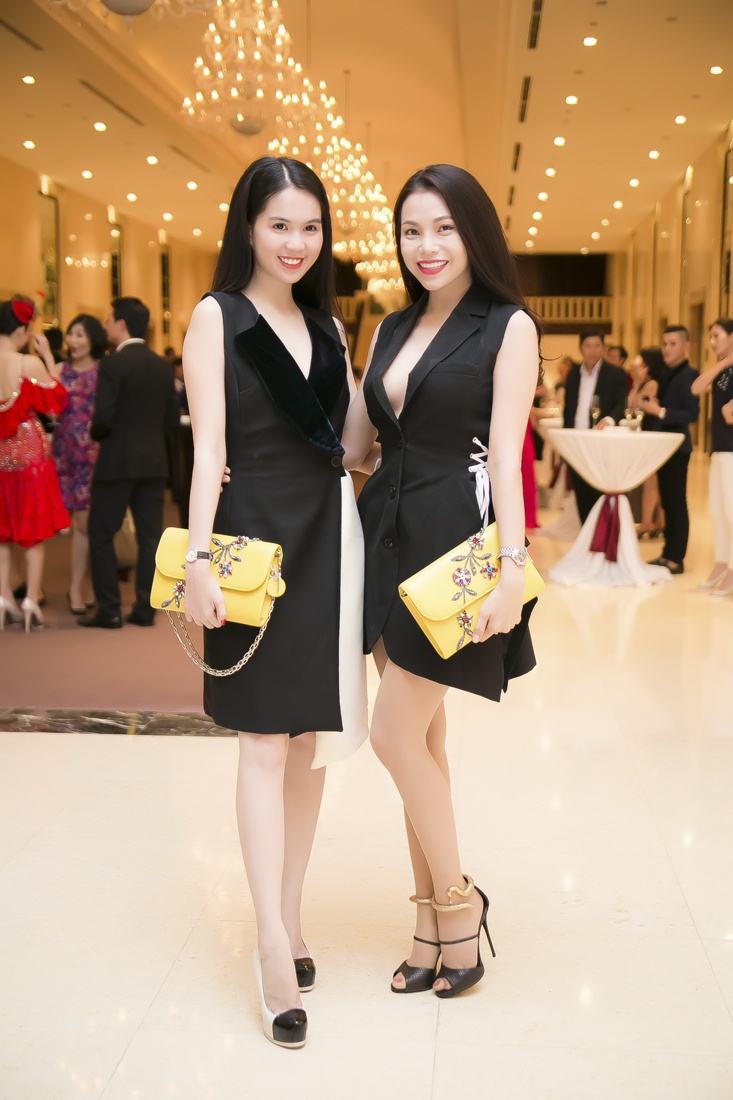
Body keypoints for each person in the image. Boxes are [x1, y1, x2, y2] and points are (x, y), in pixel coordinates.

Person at [181, 156, 367, 1048]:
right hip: (251, 541)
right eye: (279, 224)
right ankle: (266, 942)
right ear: (248, 227)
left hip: (328, 539)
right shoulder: (216, 318)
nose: (296, 242)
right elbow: (208, 448)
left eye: (310, 227)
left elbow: (354, 443)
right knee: (260, 741)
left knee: (307, 744)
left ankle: (289, 917)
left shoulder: (327, 327)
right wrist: (198, 559)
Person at [343, 164, 539, 1000]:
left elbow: (506, 456)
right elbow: (355, 445)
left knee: (393, 734)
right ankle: (428, 924)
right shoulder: (389, 328)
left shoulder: (507, 325)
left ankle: (459, 905)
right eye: (411, 230)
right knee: (422, 741)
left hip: (453, 551)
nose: (425, 246)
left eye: (443, 229)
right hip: (381, 539)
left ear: (473, 233)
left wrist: (510, 569)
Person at [79, 297, 179, 628]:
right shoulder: (162, 365)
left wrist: (93, 432)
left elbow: (103, 418)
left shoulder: (113, 364)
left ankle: (109, 610)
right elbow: (170, 418)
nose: (106, 325)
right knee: (150, 537)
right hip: (153, 461)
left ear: (121, 325)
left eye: (108, 320)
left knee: (101, 533)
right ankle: (145, 609)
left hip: (117, 462)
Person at [0, 296, 70, 630]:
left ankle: (3, 598)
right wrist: (48, 358)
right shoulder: (27, 364)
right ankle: (30, 599)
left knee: (1, 533)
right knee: (32, 533)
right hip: (29, 455)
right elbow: (56, 401)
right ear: (22, 329)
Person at [52, 314, 107, 613]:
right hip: (64, 453)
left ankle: (78, 588)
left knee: (84, 523)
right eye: (71, 334)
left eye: (80, 334)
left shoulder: (102, 371)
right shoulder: (61, 369)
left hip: (92, 456)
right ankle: (79, 587)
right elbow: (49, 404)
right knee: (72, 522)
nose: (73, 340)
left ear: (93, 339)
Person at [643, 324, 700, 575]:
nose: (667, 349)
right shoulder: (667, 373)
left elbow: (692, 414)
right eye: (665, 344)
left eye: (673, 344)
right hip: (663, 447)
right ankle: (668, 554)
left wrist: (661, 411)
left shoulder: (690, 375)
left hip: (678, 448)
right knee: (666, 500)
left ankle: (677, 558)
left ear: (686, 346)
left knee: (676, 501)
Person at [562, 329, 628, 522]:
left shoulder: (615, 373)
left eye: (597, 346)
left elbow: (621, 404)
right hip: (576, 441)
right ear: (580, 348)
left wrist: (610, 419)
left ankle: (601, 535)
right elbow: (568, 408)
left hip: (600, 441)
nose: (592, 350)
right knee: (580, 491)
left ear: (603, 348)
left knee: (598, 492)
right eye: (588, 346)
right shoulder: (574, 374)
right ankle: (586, 532)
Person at [691, 319, 733, 594]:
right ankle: (721, 562)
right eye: (710, 336)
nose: (712, 341)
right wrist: (725, 362)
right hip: (719, 448)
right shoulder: (723, 369)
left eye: (717, 335)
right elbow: (696, 388)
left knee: (731, 511)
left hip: (732, 450)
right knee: (718, 511)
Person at [627, 346, 666, 538]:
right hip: (652, 433)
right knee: (656, 481)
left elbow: (633, 404)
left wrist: (637, 382)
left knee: (651, 481)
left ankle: (646, 523)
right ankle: (659, 522)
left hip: (653, 434)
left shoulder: (651, 384)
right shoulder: (651, 382)